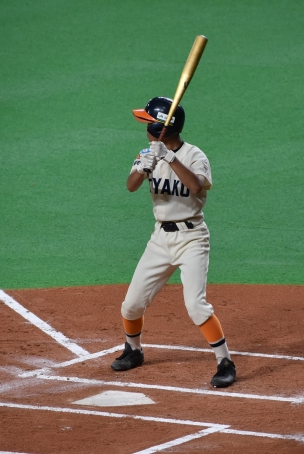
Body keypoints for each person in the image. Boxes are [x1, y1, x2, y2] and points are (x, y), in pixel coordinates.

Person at [110, 96, 236, 388]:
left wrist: (169, 158)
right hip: (160, 239)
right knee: (131, 305)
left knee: (196, 305)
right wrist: (142, 167)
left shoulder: (194, 155)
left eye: (147, 123)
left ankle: (225, 362)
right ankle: (134, 350)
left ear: (160, 128)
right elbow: (130, 187)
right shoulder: (147, 152)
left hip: (192, 238)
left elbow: (196, 186)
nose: (144, 127)